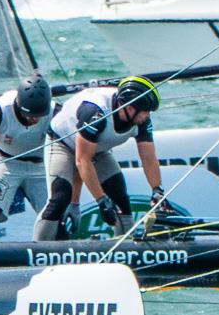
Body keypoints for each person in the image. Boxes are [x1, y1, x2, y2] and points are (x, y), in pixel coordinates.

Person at [34, 76, 170, 241]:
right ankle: (37, 249)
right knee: (59, 199)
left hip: (96, 147)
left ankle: (124, 247)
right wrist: (100, 201)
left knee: (119, 197)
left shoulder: (141, 120)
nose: (147, 116)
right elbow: (82, 161)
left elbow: (148, 158)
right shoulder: (96, 112)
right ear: (129, 107)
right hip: (62, 142)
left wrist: (157, 191)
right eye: (145, 111)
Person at [0, 74, 55, 242]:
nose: (35, 119)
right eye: (30, 115)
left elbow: (72, 147)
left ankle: (58, 254)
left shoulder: (56, 112)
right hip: (4, 162)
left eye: (39, 115)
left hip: (40, 165)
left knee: (56, 216)